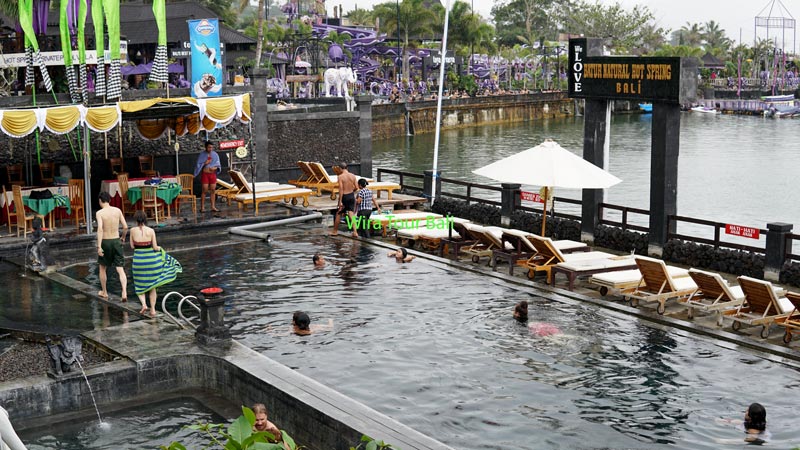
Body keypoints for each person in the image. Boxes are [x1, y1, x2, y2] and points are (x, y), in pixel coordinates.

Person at [129, 210, 182, 317]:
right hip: (152, 261)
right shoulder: (151, 231)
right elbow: (155, 247)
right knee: (152, 286)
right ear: (145, 219)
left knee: (139, 285)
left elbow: (132, 246)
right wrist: (161, 249)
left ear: (136, 220)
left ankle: (144, 304)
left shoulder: (132, 231)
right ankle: (153, 310)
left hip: (139, 261)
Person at [96, 191, 128, 302]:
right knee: (120, 268)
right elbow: (125, 227)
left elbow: (100, 229)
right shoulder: (117, 210)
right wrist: (123, 237)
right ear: (109, 200)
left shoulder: (100, 213)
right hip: (116, 240)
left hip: (105, 241)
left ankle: (104, 292)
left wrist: (99, 246)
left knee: (102, 267)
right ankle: (124, 291)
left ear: (100, 201)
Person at [330, 162, 357, 236]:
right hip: (351, 195)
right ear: (347, 168)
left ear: (340, 169)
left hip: (345, 196)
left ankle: (335, 231)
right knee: (351, 213)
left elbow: (341, 189)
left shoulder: (340, 177)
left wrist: (340, 201)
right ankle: (355, 232)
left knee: (339, 213)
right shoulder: (353, 176)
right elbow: (357, 187)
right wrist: (352, 191)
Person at [194, 141, 221, 212]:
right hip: (205, 174)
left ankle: (213, 206)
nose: (210, 149)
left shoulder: (215, 154)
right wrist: (205, 163)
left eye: (211, 147)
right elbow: (198, 164)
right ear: (206, 147)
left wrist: (214, 168)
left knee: (213, 190)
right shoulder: (202, 155)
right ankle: (202, 207)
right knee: (204, 190)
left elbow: (218, 165)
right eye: (209, 147)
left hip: (212, 174)